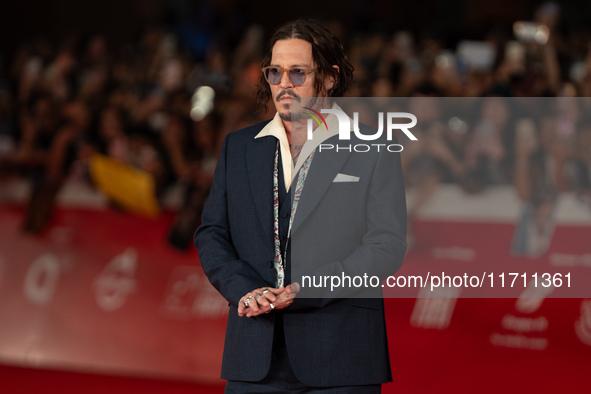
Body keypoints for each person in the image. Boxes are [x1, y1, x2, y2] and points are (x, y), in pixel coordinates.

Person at [194, 19, 407, 393]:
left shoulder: (373, 148)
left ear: (328, 77)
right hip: (254, 353)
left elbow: (386, 245)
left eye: (297, 72)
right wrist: (244, 289)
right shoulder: (240, 147)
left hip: (342, 354)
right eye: (275, 72)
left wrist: (309, 288)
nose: (284, 84)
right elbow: (213, 232)